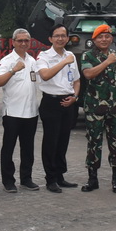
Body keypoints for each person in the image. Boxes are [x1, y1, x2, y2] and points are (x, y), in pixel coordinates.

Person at [80, 24, 116, 193]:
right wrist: (107, 62)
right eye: (100, 37)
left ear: (111, 38)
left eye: (107, 36)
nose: (104, 39)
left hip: (114, 107)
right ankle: (92, 179)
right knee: (94, 143)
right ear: (94, 40)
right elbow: (88, 74)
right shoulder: (88, 55)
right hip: (94, 108)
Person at [36, 24, 81, 193]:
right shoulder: (44, 56)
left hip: (68, 102)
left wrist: (75, 97)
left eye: (63, 35)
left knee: (63, 141)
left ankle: (60, 176)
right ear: (50, 39)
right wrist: (63, 62)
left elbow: (77, 80)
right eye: (57, 36)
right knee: (51, 142)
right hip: (51, 103)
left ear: (68, 38)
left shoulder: (70, 55)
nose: (60, 38)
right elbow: (45, 75)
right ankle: (50, 179)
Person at [0, 28, 39, 192]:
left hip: (31, 112)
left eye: (26, 40)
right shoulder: (7, 60)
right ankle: (8, 180)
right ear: (13, 42)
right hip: (12, 112)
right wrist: (13, 70)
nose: (23, 43)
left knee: (28, 148)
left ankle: (26, 178)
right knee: (8, 148)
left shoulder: (33, 61)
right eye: (20, 40)